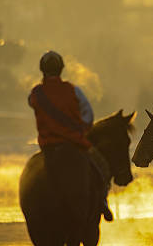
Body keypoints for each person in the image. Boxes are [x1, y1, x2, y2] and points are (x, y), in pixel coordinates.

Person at [28, 50, 113, 221]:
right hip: (75, 144)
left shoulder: (36, 94)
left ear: (42, 70)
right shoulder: (74, 90)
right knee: (101, 167)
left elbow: (32, 103)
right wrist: (80, 130)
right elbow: (88, 115)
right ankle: (102, 202)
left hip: (48, 147)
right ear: (61, 69)